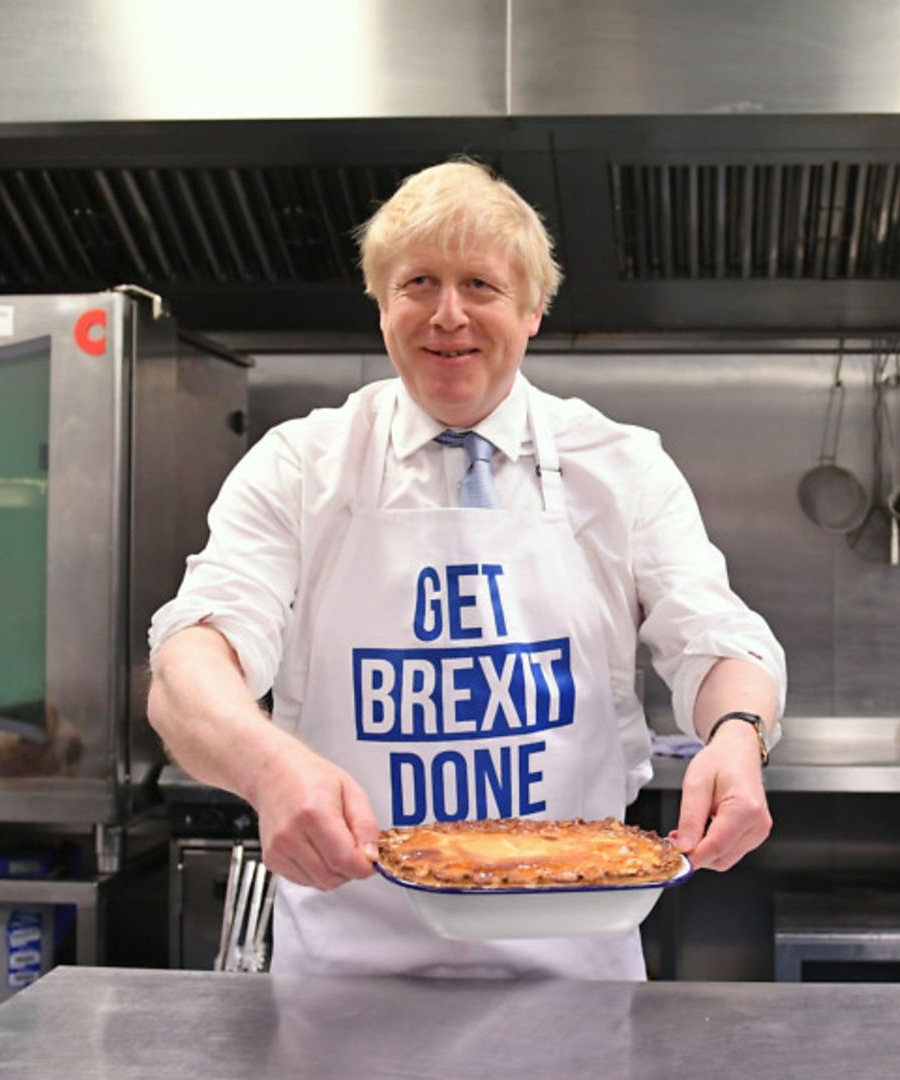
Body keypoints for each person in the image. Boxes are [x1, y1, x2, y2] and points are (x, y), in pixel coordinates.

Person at [147, 159, 785, 979]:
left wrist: (738, 736)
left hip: (574, 970)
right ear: (381, 307)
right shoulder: (302, 466)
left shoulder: (621, 467)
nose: (448, 316)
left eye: (480, 284)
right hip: (351, 973)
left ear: (532, 310)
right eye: (418, 282)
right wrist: (267, 767)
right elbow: (191, 659)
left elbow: (717, 640)